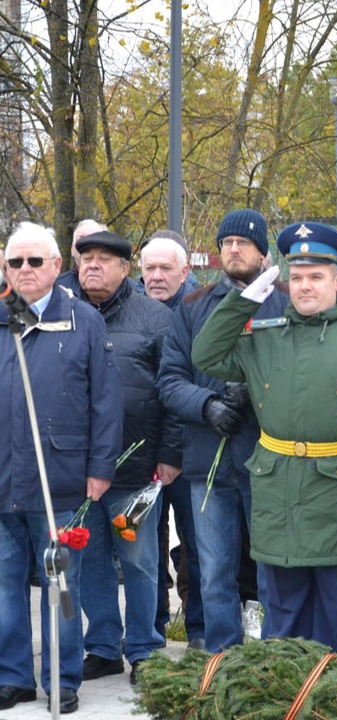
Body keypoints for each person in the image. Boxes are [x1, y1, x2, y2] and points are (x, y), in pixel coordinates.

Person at [191, 222, 337, 648]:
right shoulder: (265, 336)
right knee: (283, 616)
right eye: (299, 277)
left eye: (317, 277)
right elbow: (207, 354)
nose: (305, 287)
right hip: (278, 493)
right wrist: (241, 303)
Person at [0, 222, 123, 715]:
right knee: (6, 584)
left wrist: (101, 467)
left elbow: (106, 402)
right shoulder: (3, 315)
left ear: (57, 265)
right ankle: (13, 676)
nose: (24, 270)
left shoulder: (82, 320)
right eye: (15, 262)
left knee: (59, 582)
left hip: (63, 477)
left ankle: (61, 677)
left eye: (35, 261)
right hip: (4, 476)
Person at [157, 208, 288, 652]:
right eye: (227, 243)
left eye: (244, 243)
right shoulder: (193, 307)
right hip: (207, 459)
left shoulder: (286, 302)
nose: (234, 250)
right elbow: (170, 380)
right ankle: (221, 654)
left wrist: (256, 390)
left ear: (262, 252)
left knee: (272, 567)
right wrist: (207, 404)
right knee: (213, 569)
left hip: (266, 457)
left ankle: (274, 655)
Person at [74, 231, 180, 686]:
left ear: (124, 268)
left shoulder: (156, 317)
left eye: (104, 259)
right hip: (74, 470)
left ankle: (144, 648)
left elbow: (173, 389)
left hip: (135, 469)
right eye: (86, 258)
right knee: (90, 558)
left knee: (137, 559)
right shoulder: (66, 314)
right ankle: (102, 646)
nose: (93, 266)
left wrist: (170, 453)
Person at [139, 236, 205, 649]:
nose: (157, 276)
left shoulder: (199, 311)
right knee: (146, 548)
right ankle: (153, 627)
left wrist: (173, 453)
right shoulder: (128, 309)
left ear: (185, 272)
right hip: (138, 454)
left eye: (166, 269)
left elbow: (188, 388)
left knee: (197, 546)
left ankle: (199, 629)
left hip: (187, 455)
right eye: (150, 269)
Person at [139, 229, 202, 296]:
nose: (157, 277)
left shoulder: (202, 304)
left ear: (183, 272)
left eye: (166, 268)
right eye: (149, 268)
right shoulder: (131, 302)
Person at [57, 218, 108, 295]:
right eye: (80, 240)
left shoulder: (123, 287)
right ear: (72, 249)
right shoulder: (55, 287)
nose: (85, 245)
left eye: (92, 239)